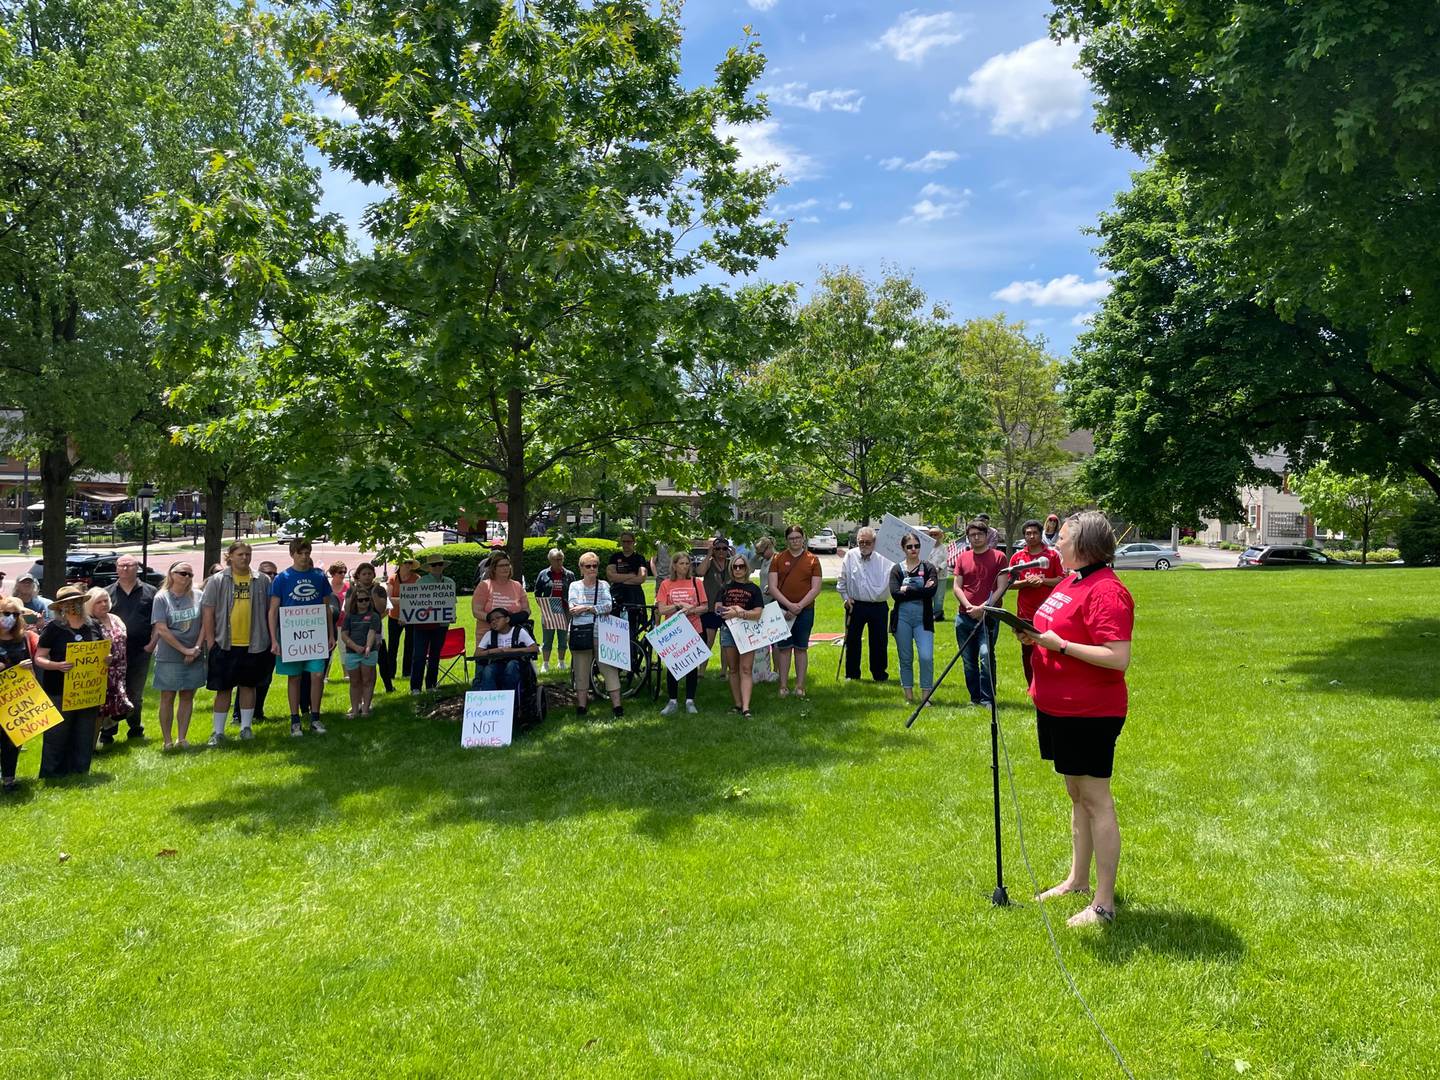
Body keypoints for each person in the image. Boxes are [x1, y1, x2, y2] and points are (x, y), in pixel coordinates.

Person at [1018, 511, 1134, 928]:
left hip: (1089, 712)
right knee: (1077, 795)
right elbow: (1053, 624)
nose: (1056, 544)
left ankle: (1103, 905)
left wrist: (1060, 645)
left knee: (1096, 800)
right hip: (1056, 706)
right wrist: (1031, 633)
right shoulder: (1071, 580)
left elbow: (1117, 657)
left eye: (1062, 538)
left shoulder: (1107, 590)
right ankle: (1077, 881)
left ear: (1083, 545)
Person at [200, 541, 272, 745]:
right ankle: (218, 732)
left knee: (249, 686)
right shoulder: (217, 580)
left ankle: (246, 727)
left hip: (254, 643)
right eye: (240, 554)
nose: (244, 558)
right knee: (223, 689)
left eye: (248, 554)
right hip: (225, 643)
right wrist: (211, 640)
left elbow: (269, 611)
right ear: (229, 556)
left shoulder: (262, 580)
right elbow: (208, 610)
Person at [32, 585, 108, 777]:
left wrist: (107, 658)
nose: (72, 606)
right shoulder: (53, 629)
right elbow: (39, 657)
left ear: (82, 603)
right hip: (58, 689)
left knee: (84, 732)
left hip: (87, 690)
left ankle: (81, 771)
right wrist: (57, 665)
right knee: (57, 733)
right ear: (61, 607)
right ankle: (51, 773)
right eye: (68, 603)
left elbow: (104, 651)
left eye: (76, 602)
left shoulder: (93, 625)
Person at [269, 539, 334, 735]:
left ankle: (315, 717)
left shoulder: (319, 576)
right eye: (300, 553)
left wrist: (331, 633)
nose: (304, 557)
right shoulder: (282, 578)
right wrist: (274, 639)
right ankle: (295, 720)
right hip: (291, 635)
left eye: (307, 553)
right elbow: (273, 610)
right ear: (292, 554)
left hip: (316, 633)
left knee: (317, 675)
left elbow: (326, 608)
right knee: (294, 677)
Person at [952, 519, 1009, 707]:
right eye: (972, 535)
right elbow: (957, 587)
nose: (976, 538)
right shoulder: (963, 558)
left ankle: (988, 698)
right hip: (964, 616)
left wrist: (983, 607)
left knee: (985, 655)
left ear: (987, 536)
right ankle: (974, 698)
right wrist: (969, 606)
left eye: (979, 534)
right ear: (968, 538)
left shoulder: (999, 557)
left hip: (989, 615)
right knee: (968, 660)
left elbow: (1002, 587)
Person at [151, 563, 206, 750]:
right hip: (169, 656)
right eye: (183, 573)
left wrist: (196, 648)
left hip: (195, 653)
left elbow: (205, 624)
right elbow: (161, 629)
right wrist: (185, 650)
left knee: (187, 694)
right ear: (171, 575)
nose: (187, 577)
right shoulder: (161, 598)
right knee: (167, 696)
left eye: (190, 574)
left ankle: (182, 738)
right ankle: (167, 740)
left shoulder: (198, 596)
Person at [767, 526, 823, 697]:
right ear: (787, 540)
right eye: (791, 538)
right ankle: (783, 686)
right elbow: (773, 587)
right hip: (783, 610)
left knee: (800, 647)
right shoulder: (778, 558)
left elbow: (816, 588)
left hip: (805, 610)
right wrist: (789, 605)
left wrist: (799, 606)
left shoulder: (812, 560)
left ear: (803, 538)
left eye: (798, 537)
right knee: (783, 648)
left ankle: (800, 686)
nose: (795, 541)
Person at [1009, 519, 1065, 686]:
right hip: (1025, 614)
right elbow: (1008, 584)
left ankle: (1051, 685)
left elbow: (1062, 580)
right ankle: (1032, 687)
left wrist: (1042, 580)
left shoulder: (1052, 555)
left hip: (1049, 613)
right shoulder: (1018, 557)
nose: (1031, 536)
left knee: (1049, 651)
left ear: (1041, 534)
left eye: (1034, 533)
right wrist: (1026, 583)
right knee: (1028, 653)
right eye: (1028, 533)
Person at [568, 552, 622, 719]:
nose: (592, 569)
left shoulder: (604, 584)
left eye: (595, 565)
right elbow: (572, 608)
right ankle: (582, 707)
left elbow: (608, 606)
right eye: (588, 566)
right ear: (581, 568)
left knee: (609, 668)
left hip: (602, 632)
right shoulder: (574, 586)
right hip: (580, 631)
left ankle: (617, 707)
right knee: (581, 670)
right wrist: (593, 607)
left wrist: (586, 608)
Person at [836, 526, 893, 684]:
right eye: (861, 542)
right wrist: (845, 598)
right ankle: (852, 674)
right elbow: (841, 581)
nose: (864, 545)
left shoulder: (885, 558)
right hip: (855, 605)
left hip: (878, 606)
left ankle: (879, 674)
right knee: (852, 641)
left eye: (868, 542)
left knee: (879, 642)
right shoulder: (850, 556)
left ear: (874, 542)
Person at [107, 555, 155, 741]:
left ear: (138, 568)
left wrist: (152, 645)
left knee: (135, 694)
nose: (125, 569)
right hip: (113, 654)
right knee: (112, 691)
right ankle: (108, 732)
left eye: (130, 565)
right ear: (117, 568)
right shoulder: (107, 593)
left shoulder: (150, 592)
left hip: (140, 651)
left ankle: (135, 729)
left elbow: (157, 622)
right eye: (122, 565)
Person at [655, 552, 708, 715]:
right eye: (681, 563)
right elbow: (661, 609)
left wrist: (690, 609)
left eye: (687, 564)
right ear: (674, 566)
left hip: (693, 628)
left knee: (691, 666)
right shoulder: (666, 584)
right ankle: (672, 701)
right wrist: (678, 606)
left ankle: (690, 700)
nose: (685, 566)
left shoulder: (696, 582)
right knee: (673, 667)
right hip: (674, 630)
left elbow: (705, 607)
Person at [889, 533, 938, 705]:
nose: (913, 549)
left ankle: (926, 695)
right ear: (903, 548)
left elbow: (931, 592)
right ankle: (908, 695)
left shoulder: (929, 567)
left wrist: (907, 589)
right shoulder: (897, 569)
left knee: (926, 656)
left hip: (923, 619)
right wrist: (919, 590)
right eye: (909, 546)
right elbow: (895, 594)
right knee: (905, 657)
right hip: (902, 618)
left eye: (916, 546)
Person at [715, 552, 764, 717]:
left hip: (748, 631)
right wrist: (727, 612)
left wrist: (740, 613)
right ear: (731, 568)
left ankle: (746, 707)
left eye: (741, 566)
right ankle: (737, 704)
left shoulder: (754, 589)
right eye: (735, 566)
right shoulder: (725, 587)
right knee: (733, 669)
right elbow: (717, 608)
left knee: (746, 668)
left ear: (746, 568)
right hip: (728, 631)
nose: (738, 569)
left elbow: (758, 613)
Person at [84, 587, 133, 745]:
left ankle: (104, 739)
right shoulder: (89, 623)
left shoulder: (115, 618)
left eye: (105, 600)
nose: (103, 604)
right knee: (98, 711)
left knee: (113, 708)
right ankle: (90, 746)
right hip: (100, 672)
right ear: (90, 604)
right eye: (98, 602)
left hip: (119, 670)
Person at [0, 597, 34, 791]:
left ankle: (9, 780)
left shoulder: (24, 638)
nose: (10, 618)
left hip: (17, 698)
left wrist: (27, 667)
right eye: (6, 613)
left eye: (15, 614)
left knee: (13, 739)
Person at [405, 555, 453, 694]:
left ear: (443, 566)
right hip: (422, 625)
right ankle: (415, 687)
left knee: (435, 655)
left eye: (439, 564)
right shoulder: (421, 582)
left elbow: (451, 603)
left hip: (442, 624)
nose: (437, 567)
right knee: (419, 656)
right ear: (429, 568)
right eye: (434, 565)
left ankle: (431, 685)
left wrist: (450, 614)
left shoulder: (449, 582)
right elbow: (415, 603)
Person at [338, 585, 383, 717]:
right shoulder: (349, 616)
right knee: (354, 681)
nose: (364, 602)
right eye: (360, 600)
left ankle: (365, 709)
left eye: (366, 600)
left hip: (369, 652)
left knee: (367, 680)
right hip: (352, 653)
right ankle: (355, 709)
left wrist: (368, 647)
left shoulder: (374, 616)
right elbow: (344, 635)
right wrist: (355, 647)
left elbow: (372, 632)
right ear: (355, 601)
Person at [472, 607, 538, 692]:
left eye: (497, 618)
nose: (494, 622)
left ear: (507, 619)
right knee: (488, 670)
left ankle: (509, 697)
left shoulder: (519, 631)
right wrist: (494, 651)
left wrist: (511, 651)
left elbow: (534, 648)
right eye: (491, 620)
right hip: (498, 664)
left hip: (517, 666)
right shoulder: (489, 634)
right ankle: (490, 699)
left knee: (512, 665)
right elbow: (477, 654)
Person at [350, 563, 392, 693]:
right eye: (364, 574)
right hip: (358, 632)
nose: (367, 576)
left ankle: (389, 687)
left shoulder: (380, 590)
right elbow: (348, 611)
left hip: (376, 631)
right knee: (363, 663)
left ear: (374, 574)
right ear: (358, 576)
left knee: (382, 661)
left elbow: (382, 609)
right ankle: (365, 692)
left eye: (369, 573)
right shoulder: (353, 590)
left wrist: (373, 593)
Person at [533, 549, 574, 673]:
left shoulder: (569, 575)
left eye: (561, 559)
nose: (559, 562)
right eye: (556, 559)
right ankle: (545, 664)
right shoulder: (543, 574)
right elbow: (537, 592)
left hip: (564, 610)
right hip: (549, 610)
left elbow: (573, 591)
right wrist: (543, 605)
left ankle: (561, 662)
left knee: (563, 637)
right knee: (547, 638)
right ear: (550, 560)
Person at [471, 551, 532, 631]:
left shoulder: (517, 586)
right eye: (501, 566)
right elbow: (476, 611)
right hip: (487, 635)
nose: (505, 568)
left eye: (507, 565)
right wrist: (495, 620)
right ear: (494, 568)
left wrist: (515, 618)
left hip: (512, 635)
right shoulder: (484, 586)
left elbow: (527, 609)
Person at [696, 536, 731, 671]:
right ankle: (701, 670)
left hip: (727, 607)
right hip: (710, 607)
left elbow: (744, 572)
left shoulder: (731, 564)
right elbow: (699, 572)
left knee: (725, 642)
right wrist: (709, 555)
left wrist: (733, 556)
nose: (721, 551)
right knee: (708, 640)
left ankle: (724, 672)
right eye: (717, 549)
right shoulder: (709, 563)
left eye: (724, 548)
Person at [606, 530, 649, 640]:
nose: (626, 544)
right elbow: (611, 576)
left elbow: (641, 578)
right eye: (624, 541)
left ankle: (632, 651)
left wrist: (620, 578)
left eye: (629, 542)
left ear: (634, 542)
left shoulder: (639, 558)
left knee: (633, 627)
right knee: (615, 625)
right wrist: (630, 576)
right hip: (617, 594)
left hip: (634, 596)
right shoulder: (615, 557)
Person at [385, 557, 421, 689]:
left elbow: (418, 599)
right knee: (393, 646)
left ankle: (407, 672)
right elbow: (388, 599)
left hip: (411, 617)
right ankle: (391, 673)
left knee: (410, 645)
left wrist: (403, 603)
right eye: (405, 562)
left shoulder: (417, 578)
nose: (407, 565)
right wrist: (406, 599)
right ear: (400, 564)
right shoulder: (393, 578)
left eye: (410, 563)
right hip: (394, 617)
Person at [750, 536, 779, 684]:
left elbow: (782, 579)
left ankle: (778, 670)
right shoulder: (764, 560)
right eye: (759, 553)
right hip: (764, 602)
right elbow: (751, 565)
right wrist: (758, 553)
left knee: (776, 640)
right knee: (767, 638)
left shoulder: (777, 559)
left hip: (774, 601)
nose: (760, 555)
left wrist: (774, 588)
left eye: (762, 552)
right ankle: (766, 668)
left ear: (769, 548)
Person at [926, 527, 951, 622]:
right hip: (928, 576)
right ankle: (928, 613)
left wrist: (939, 568)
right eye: (931, 534)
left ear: (940, 536)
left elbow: (946, 560)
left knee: (939, 596)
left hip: (941, 576)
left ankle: (938, 614)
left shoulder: (944, 548)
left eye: (935, 534)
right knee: (928, 594)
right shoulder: (927, 548)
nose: (933, 536)